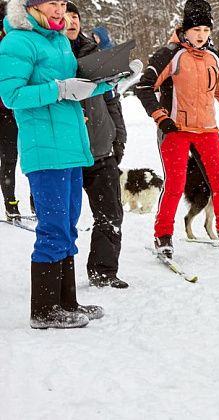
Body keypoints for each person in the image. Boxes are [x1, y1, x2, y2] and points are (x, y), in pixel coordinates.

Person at [0, 0, 113, 329]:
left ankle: (67, 301)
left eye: (63, 2)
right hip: (44, 149)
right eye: (52, 2)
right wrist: (58, 88)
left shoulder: (60, 40)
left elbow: (78, 89)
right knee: (52, 228)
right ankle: (43, 309)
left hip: (71, 146)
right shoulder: (17, 41)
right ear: (33, 5)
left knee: (67, 226)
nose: (60, 9)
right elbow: (11, 95)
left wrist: (115, 80)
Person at [135, 0, 219, 258]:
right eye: (196, 30)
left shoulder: (214, 57)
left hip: (207, 129)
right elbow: (143, 87)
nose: (201, 36)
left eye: (206, 31)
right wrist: (161, 117)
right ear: (185, 30)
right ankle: (163, 234)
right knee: (176, 184)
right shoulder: (170, 54)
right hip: (175, 130)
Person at [64, 2, 129, 289]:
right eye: (65, 16)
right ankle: (59, 280)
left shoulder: (97, 53)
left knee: (111, 214)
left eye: (75, 16)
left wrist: (119, 137)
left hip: (101, 148)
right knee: (64, 219)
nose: (71, 21)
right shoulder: (50, 55)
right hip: (65, 152)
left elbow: (112, 98)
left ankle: (104, 271)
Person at [0, 1, 22, 221]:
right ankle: (11, 203)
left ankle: (37, 202)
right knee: (8, 158)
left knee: (29, 155)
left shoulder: (19, 38)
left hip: (19, 108)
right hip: (4, 111)